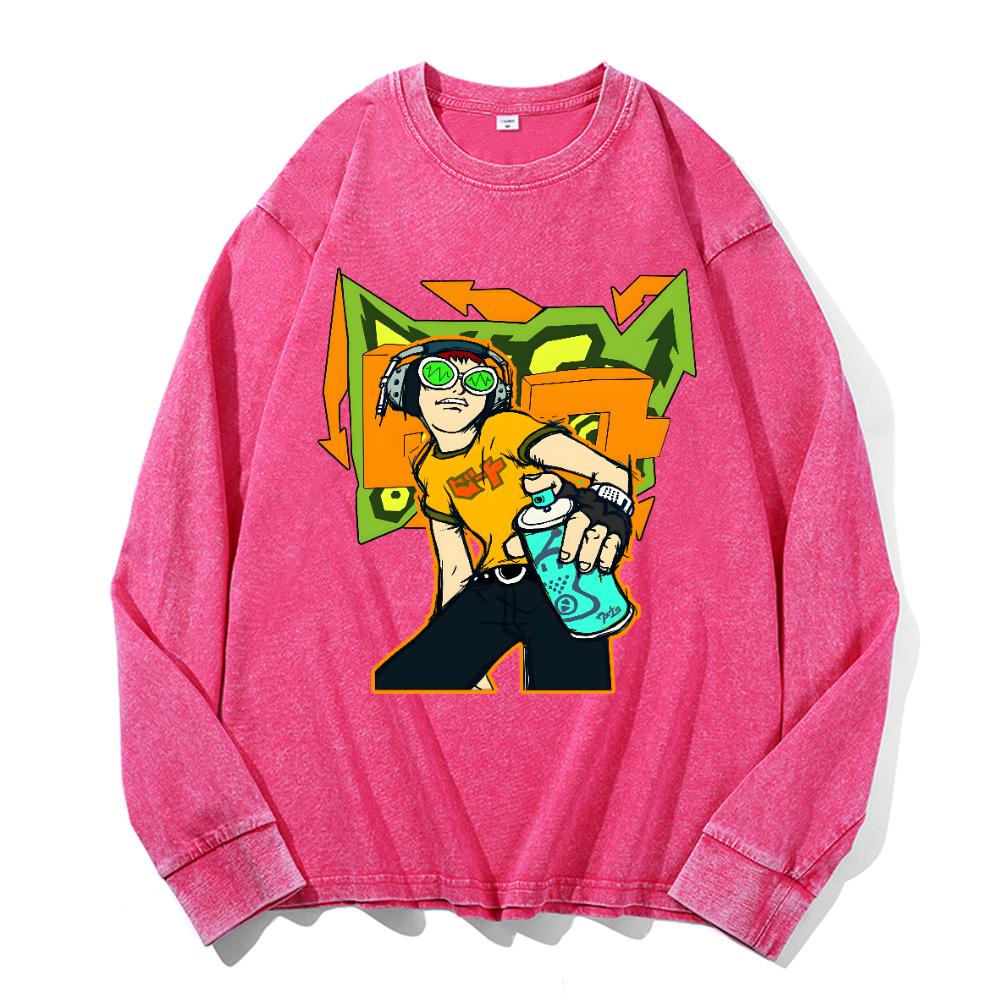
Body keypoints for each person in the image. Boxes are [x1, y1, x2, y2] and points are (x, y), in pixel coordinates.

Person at [371, 339, 636, 692]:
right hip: (491, 588)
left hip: (564, 583)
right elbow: (453, 563)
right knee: (401, 683)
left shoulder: (505, 428)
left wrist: (604, 515)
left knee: (572, 695)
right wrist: (461, 654)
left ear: (490, 398)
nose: (458, 390)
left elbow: (610, 473)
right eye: (438, 374)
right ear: (406, 388)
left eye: (478, 381)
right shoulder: (429, 469)